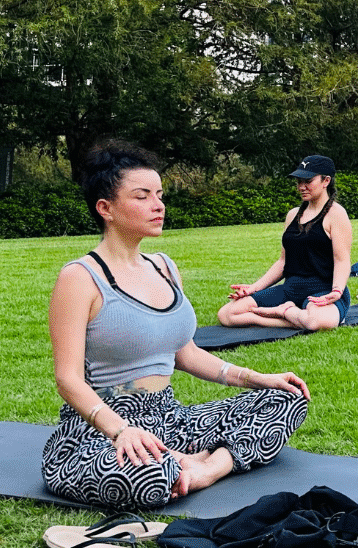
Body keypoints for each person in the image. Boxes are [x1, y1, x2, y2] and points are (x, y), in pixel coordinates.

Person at [45, 144, 310, 510]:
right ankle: (180, 463)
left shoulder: (164, 267)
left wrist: (258, 378)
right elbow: (67, 379)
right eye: (142, 196)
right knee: (147, 477)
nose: (158, 205)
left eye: (159, 195)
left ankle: (206, 468)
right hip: (99, 430)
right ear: (105, 208)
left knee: (286, 398)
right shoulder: (79, 278)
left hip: (170, 417)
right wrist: (121, 431)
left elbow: (184, 353)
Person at [218, 155, 352, 332]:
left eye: (308, 181)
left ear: (326, 180)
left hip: (323, 290)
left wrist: (336, 291)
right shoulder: (293, 215)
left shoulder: (336, 214)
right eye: (298, 181)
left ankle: (285, 311)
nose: (301, 187)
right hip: (291, 289)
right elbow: (283, 262)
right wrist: (254, 288)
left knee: (317, 323)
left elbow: (342, 260)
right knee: (228, 314)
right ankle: (290, 314)